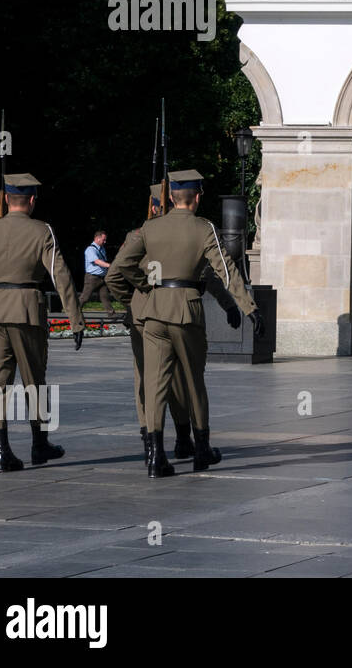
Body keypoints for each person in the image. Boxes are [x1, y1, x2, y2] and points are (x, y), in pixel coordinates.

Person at [108, 169, 260, 477]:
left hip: (153, 313)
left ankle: (155, 457)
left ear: (171, 197)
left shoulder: (150, 228)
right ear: (198, 197)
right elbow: (225, 270)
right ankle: (201, 451)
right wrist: (248, 307)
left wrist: (147, 287)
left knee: (154, 385)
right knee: (193, 383)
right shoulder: (204, 228)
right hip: (187, 310)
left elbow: (120, 266)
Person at [0, 173, 83, 472]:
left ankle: (2, 451)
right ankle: (40, 444)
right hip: (27, 312)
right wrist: (75, 319)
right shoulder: (42, 231)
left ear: (6, 200)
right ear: (32, 200)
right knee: (34, 382)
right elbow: (60, 274)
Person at [105, 184, 197, 463]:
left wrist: (134, 299)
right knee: (177, 377)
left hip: (143, 314)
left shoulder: (138, 235)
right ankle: (183, 439)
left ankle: (149, 440)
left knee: (146, 379)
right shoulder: (180, 234)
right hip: (173, 310)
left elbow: (114, 276)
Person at [78, 230, 116, 313]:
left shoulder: (102, 249)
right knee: (85, 297)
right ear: (97, 238)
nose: (105, 242)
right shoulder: (90, 249)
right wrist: (109, 266)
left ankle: (111, 314)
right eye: (103, 240)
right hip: (92, 277)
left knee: (105, 296)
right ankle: (75, 312)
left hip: (102, 277)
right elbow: (97, 261)